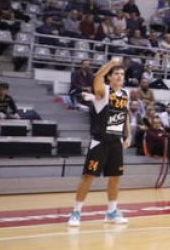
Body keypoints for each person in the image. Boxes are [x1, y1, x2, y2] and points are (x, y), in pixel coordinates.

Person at [68, 58, 132, 227]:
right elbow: (97, 77)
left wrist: (129, 135)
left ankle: (112, 212)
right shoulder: (103, 92)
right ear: (109, 77)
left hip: (116, 141)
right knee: (88, 177)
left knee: (115, 178)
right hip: (100, 141)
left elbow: (125, 114)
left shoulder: (126, 94)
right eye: (116, 74)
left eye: (122, 74)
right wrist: (111, 64)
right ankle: (76, 212)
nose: (120, 76)